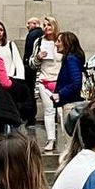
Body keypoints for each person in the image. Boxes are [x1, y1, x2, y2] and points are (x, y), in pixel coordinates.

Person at [28, 16, 62, 152]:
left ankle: (67, 141)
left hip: (60, 81)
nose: (46, 28)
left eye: (49, 25)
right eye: (45, 25)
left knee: (61, 112)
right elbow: (31, 63)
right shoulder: (39, 42)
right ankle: (51, 140)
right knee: (49, 111)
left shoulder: (61, 41)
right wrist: (38, 57)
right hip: (44, 80)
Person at [50, 32, 85, 117]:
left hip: (70, 103)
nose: (56, 44)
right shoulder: (72, 58)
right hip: (71, 102)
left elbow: (76, 82)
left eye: (59, 41)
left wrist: (60, 93)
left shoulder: (71, 59)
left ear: (66, 43)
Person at [22, 17, 43, 128]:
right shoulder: (42, 35)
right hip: (41, 69)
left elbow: (28, 53)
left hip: (32, 69)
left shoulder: (32, 35)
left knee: (30, 93)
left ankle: (30, 118)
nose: (30, 26)